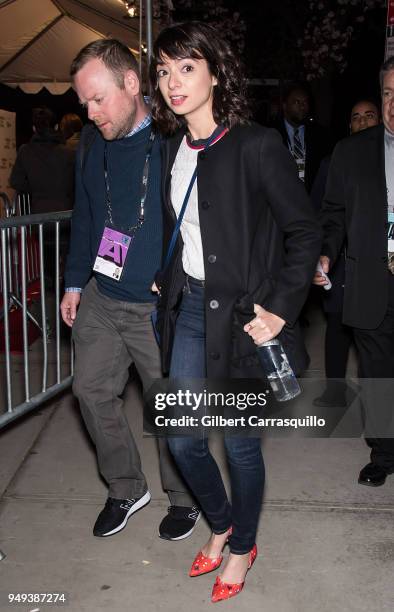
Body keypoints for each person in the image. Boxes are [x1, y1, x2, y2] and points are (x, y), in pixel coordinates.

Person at [150, 21, 321, 602]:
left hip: (245, 317)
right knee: (182, 440)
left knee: (240, 444)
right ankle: (219, 522)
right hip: (191, 309)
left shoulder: (255, 145)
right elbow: (183, 231)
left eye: (187, 68)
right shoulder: (171, 148)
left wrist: (279, 306)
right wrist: (165, 279)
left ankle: (243, 545)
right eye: (164, 71)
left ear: (216, 74)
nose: (173, 82)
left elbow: (304, 230)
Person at [60, 39, 198, 541]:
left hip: (158, 305)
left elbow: (200, 223)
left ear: (132, 83)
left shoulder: (173, 142)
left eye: (99, 100)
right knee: (89, 390)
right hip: (103, 294)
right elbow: (86, 217)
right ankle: (125, 486)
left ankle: (184, 496)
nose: (92, 113)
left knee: (167, 405)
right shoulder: (92, 146)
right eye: (84, 104)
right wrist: (75, 282)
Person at [314, 58, 394, 487]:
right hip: (370, 279)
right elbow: (332, 215)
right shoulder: (352, 152)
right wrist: (325, 255)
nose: (393, 103)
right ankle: (383, 452)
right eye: (387, 93)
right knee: (378, 370)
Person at [311, 98, 380, 408]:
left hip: (376, 265)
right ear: (349, 125)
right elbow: (320, 212)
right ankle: (335, 391)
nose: (363, 122)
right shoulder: (334, 161)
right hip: (339, 263)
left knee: (375, 337)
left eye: (369, 115)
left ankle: (374, 402)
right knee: (337, 327)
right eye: (356, 117)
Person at [10, 106, 75, 213]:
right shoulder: (69, 153)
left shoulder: (25, 151)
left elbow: (15, 181)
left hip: (38, 215)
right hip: (66, 215)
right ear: (56, 127)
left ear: (34, 129)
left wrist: (35, 187)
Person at [273, 83, 332, 192]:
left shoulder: (321, 135)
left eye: (305, 102)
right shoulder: (272, 134)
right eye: (296, 102)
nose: (302, 106)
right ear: (285, 106)